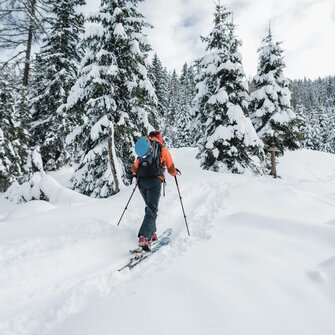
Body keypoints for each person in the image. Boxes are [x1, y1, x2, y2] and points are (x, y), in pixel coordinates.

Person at [131, 130, 178, 251]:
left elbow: (134, 169)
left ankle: (152, 232)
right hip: (154, 182)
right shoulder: (162, 149)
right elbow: (171, 168)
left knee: (149, 207)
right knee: (152, 208)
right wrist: (175, 172)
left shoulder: (145, 148)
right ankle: (144, 237)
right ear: (160, 138)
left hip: (141, 182)